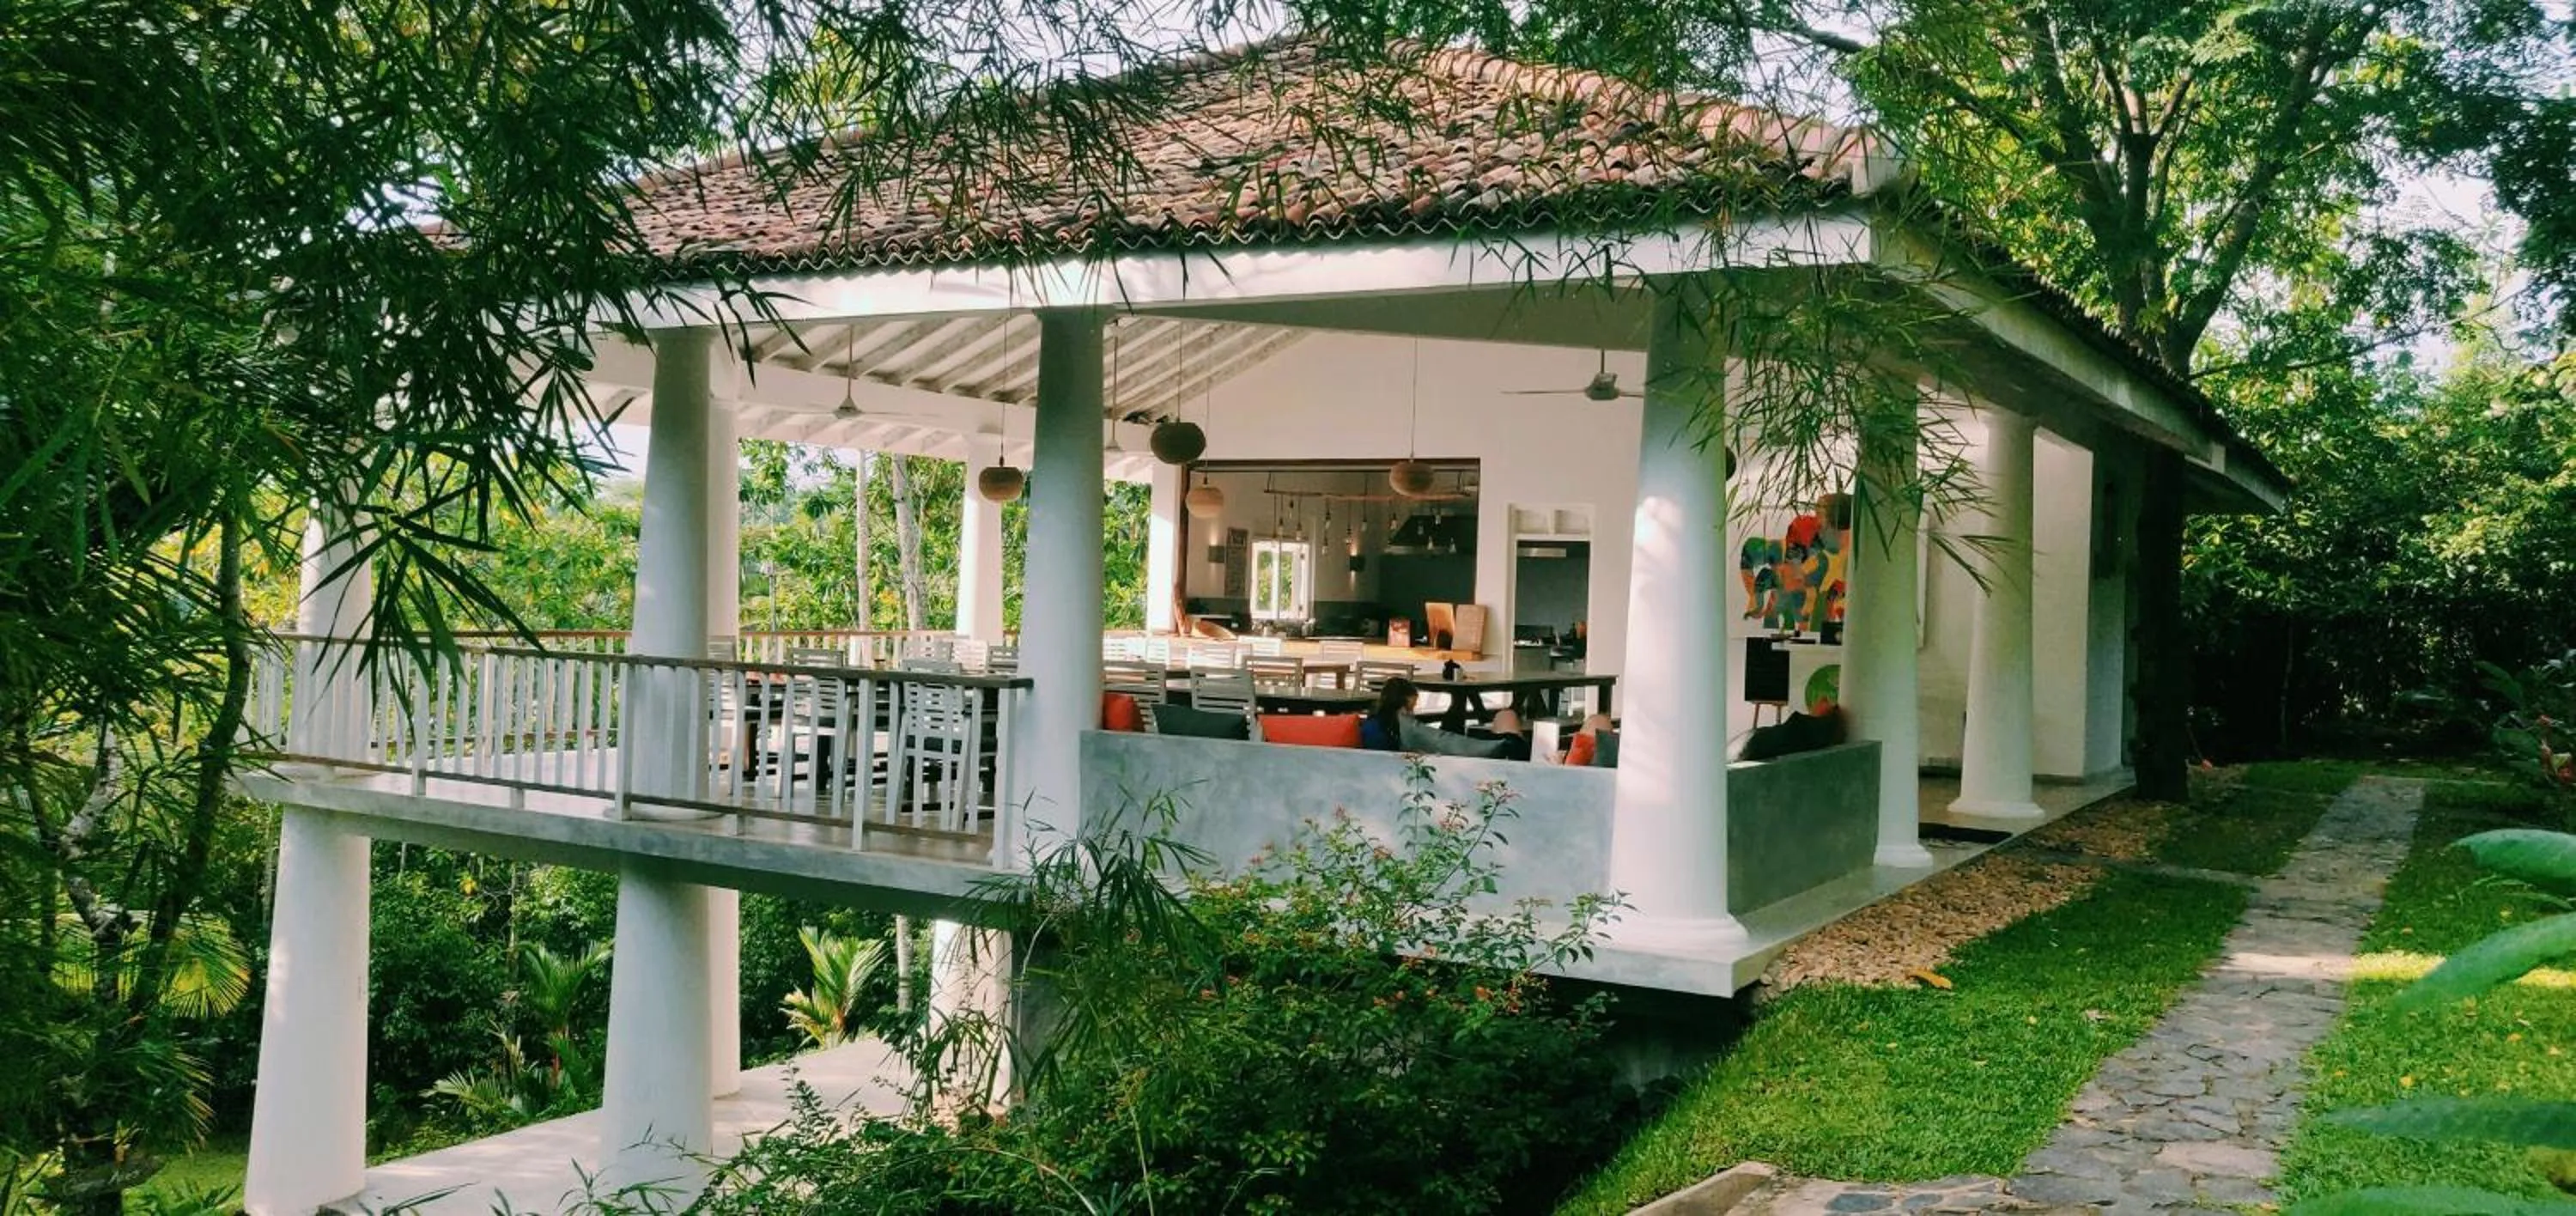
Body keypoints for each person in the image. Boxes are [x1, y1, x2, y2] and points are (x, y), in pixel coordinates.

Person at [1361, 678, 1417, 751]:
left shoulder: (1387, 725)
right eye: (1409, 709)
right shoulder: (1378, 733)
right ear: (1395, 706)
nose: (1412, 714)